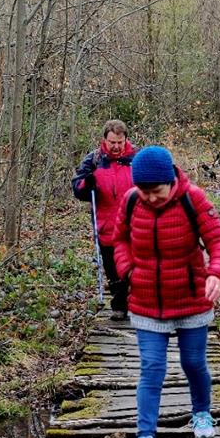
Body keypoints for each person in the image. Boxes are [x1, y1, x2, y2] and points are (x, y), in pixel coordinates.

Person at [113, 145, 220, 438]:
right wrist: (127, 270)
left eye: (156, 191)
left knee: (193, 362)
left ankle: (201, 413)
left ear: (170, 182)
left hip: (191, 298)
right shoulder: (131, 201)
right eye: (144, 190)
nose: (150, 197)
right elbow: (118, 240)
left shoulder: (192, 199)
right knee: (152, 368)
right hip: (146, 301)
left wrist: (218, 273)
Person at [72, 119, 137, 318]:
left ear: (126, 139)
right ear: (104, 140)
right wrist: (87, 184)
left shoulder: (137, 158)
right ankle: (119, 306)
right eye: (112, 142)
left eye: (120, 142)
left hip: (135, 222)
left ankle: (136, 302)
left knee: (136, 264)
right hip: (106, 223)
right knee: (112, 267)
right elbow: (78, 188)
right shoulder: (94, 160)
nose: (116, 146)